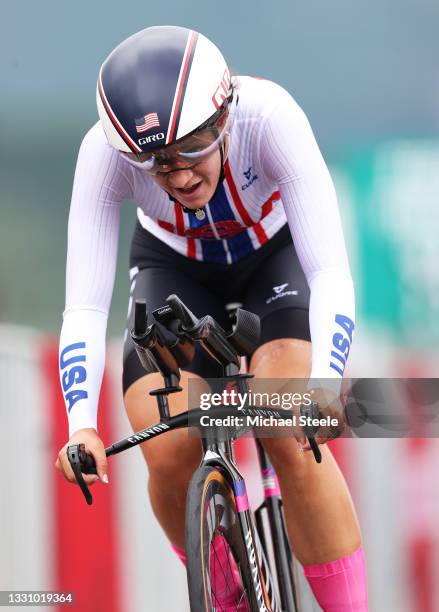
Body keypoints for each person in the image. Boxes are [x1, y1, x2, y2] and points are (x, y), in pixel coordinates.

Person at [55, 25, 368, 610]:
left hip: (274, 263)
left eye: (191, 148)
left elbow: (329, 273)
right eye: (150, 161)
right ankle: (230, 599)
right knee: (168, 445)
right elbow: (84, 305)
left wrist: (325, 386)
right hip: (175, 274)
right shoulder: (100, 153)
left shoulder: (270, 117)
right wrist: (80, 425)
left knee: (289, 425)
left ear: (223, 117)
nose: (176, 175)